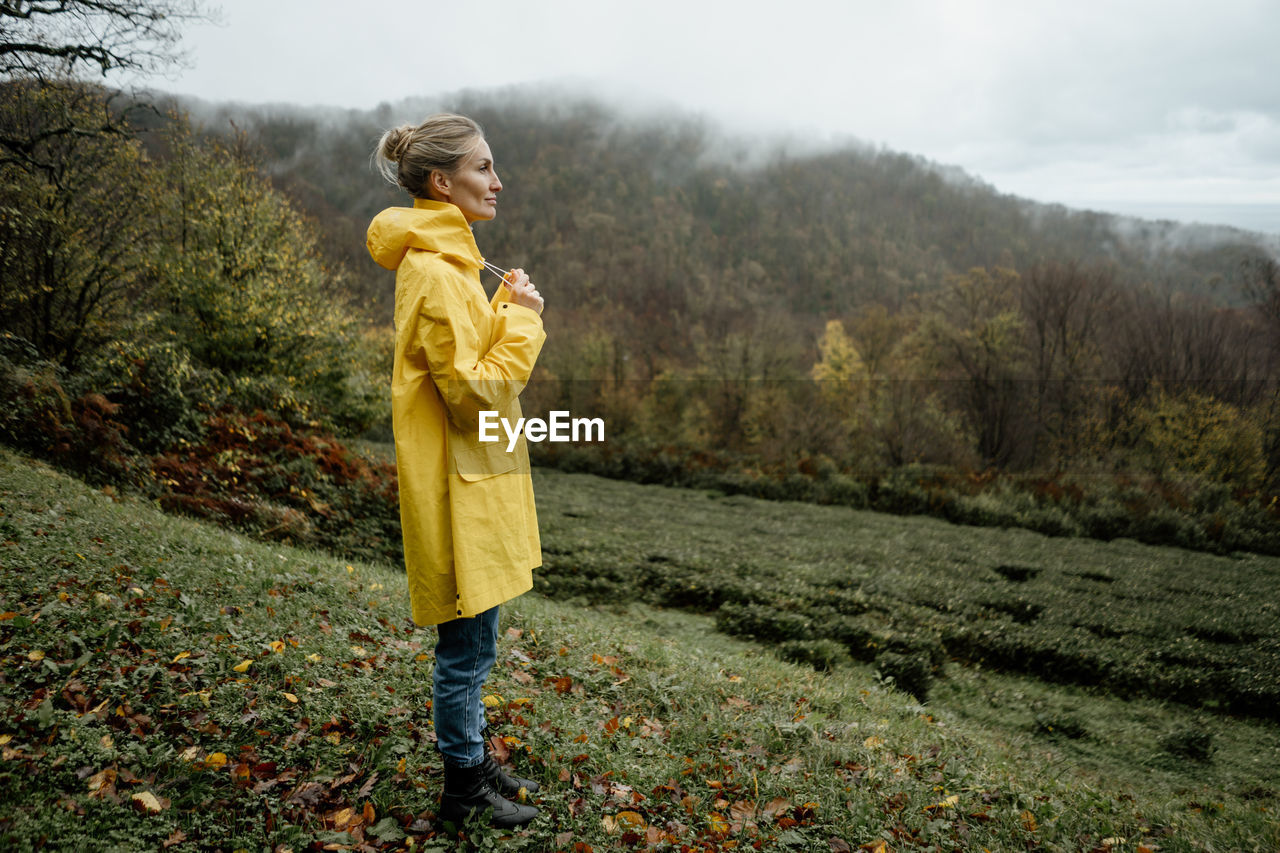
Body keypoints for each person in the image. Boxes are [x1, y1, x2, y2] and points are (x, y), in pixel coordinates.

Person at [367, 113, 545, 829]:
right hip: (456, 484)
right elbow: (473, 394)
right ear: (442, 181)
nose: (497, 182)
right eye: (483, 168)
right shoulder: (437, 272)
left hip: (474, 478)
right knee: (465, 653)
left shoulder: (454, 266)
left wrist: (504, 306)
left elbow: (467, 362)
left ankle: (473, 760)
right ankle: (463, 788)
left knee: (479, 643)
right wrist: (528, 321)